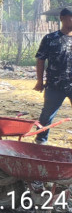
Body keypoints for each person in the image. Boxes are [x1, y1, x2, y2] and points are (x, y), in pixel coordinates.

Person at [34, 8, 72, 143]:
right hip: (55, 85)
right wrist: (39, 81)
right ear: (62, 18)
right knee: (47, 115)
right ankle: (40, 142)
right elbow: (40, 59)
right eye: (70, 17)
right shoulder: (50, 39)